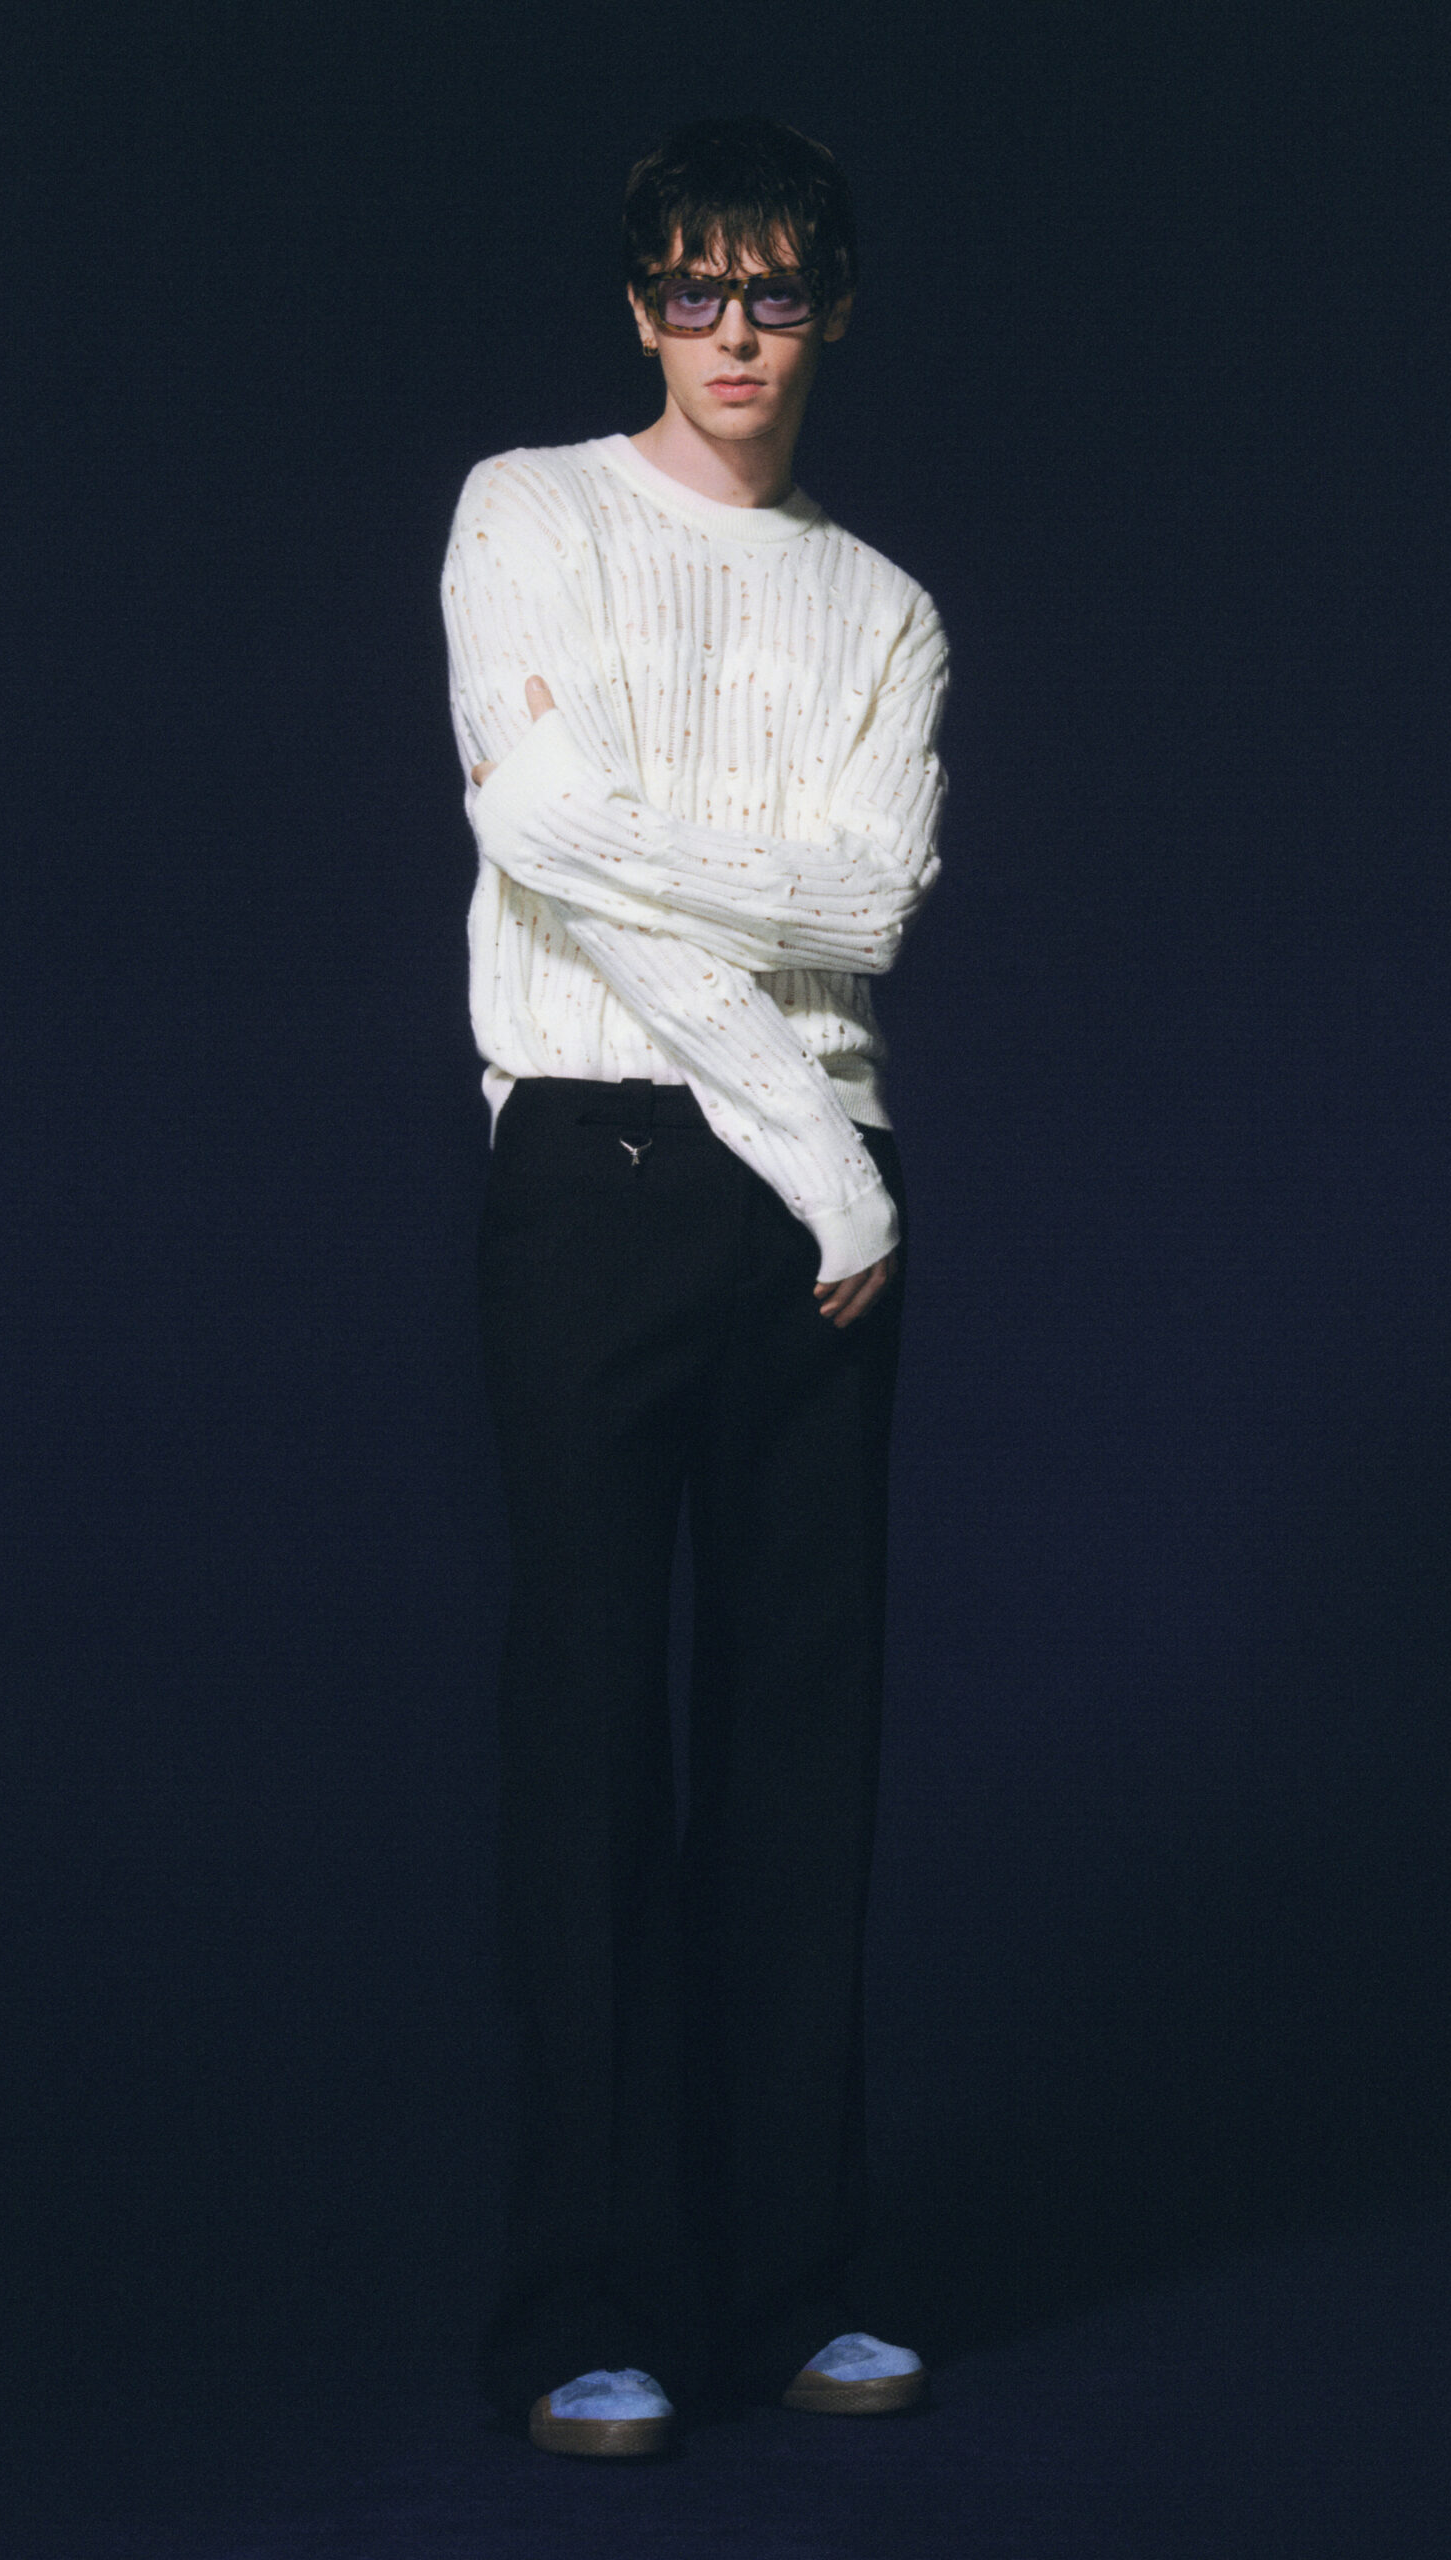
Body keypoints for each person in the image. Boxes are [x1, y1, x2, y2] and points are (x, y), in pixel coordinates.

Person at [440, 114, 949, 2457]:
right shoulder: (525, 511)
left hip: (817, 1228)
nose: (728, 333)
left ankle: (787, 2280)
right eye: (687, 289)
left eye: (770, 292)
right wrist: (813, 1145)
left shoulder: (884, 608)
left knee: (795, 1747)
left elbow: (872, 907)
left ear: (830, 308)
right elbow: (536, 833)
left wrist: (819, 1167)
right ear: (637, 302)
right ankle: (582, 2302)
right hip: (608, 1171)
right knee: (587, 1745)